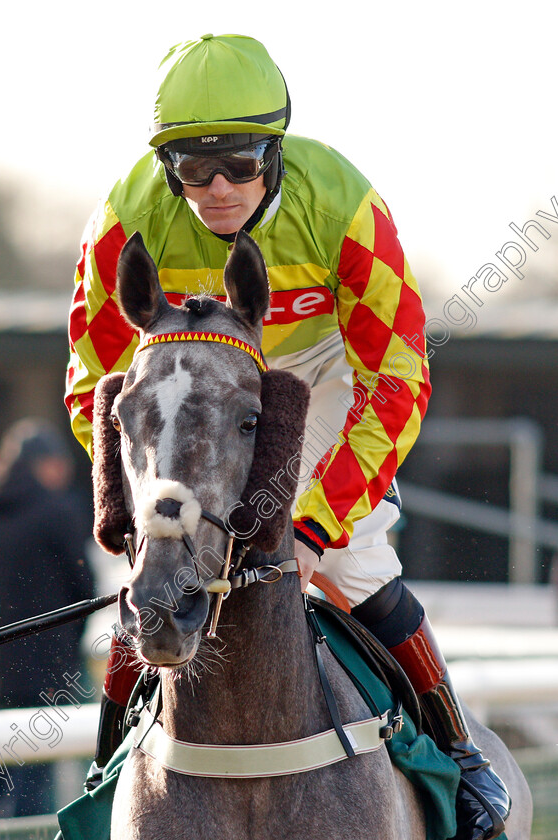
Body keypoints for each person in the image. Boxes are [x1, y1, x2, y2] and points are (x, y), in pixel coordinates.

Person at [64, 34, 510, 840]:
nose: (218, 189)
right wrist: (135, 505)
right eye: (193, 170)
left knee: (355, 558)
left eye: (238, 163)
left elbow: (397, 377)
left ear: (275, 147)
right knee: (156, 572)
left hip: (323, 372)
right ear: (166, 167)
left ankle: (458, 753)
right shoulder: (124, 218)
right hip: (185, 375)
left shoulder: (342, 205)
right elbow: (96, 383)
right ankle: (108, 766)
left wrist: (310, 525)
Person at [0, 418, 96, 818]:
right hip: (52, 667)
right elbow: (83, 588)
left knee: (1, 777)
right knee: (37, 781)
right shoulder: (57, 510)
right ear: (43, 464)